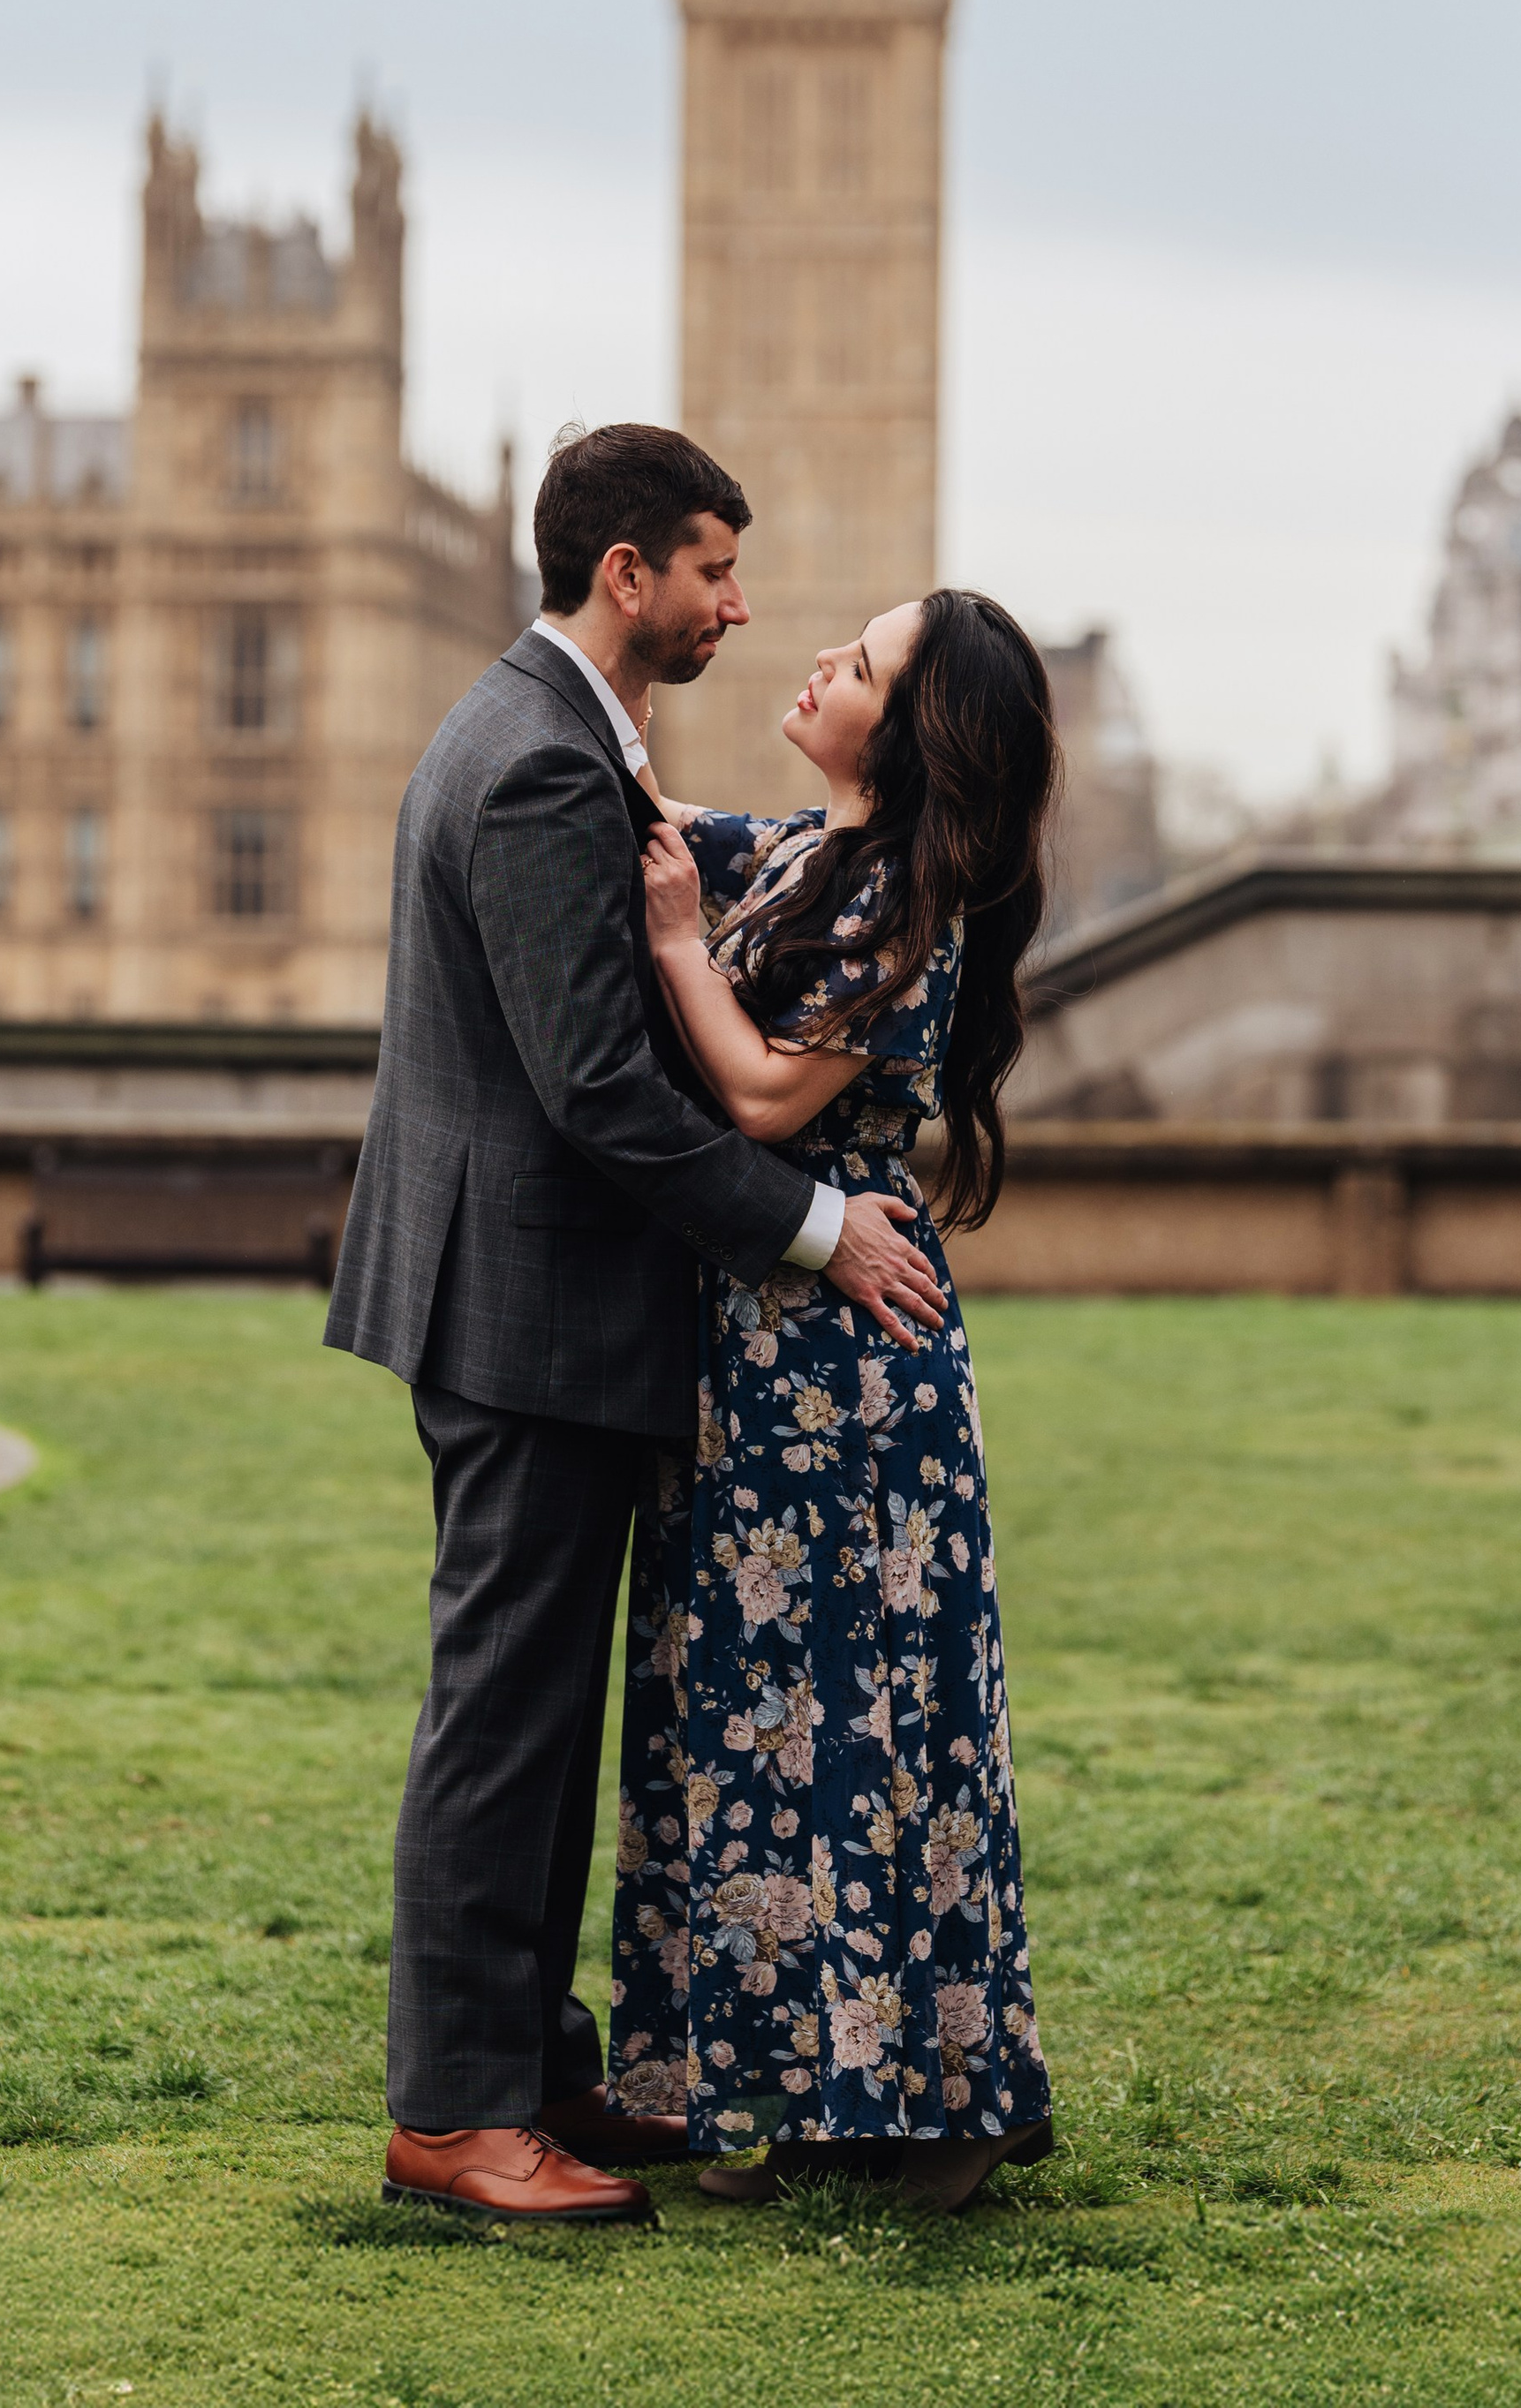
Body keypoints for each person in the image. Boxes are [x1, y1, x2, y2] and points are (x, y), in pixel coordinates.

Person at [325, 423, 948, 2227]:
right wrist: (818, 1227)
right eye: (710, 573)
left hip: (537, 1302)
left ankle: (528, 2066)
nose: (736, 610)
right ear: (625, 574)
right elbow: (595, 1083)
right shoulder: (533, 762)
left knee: (536, 1703)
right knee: (502, 1716)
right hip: (519, 1303)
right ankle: (456, 2112)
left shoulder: (559, 739)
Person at [606, 587, 1060, 2214]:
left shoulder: (904, 899)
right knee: (757, 1705)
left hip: (845, 1363)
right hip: (762, 1342)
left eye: (860, 665)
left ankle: (909, 2104)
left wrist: (672, 944)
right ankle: (818, 2092)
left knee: (851, 1704)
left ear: (916, 730)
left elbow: (758, 1086)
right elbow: (648, 813)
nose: (820, 662)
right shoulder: (804, 850)